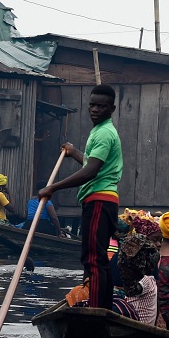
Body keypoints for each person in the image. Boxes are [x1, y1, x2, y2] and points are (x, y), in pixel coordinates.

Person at [39, 84, 123, 310]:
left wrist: (52, 188)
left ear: (111, 109)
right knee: (99, 260)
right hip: (100, 200)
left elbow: (91, 171)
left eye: (101, 106)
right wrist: (73, 151)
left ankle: (95, 311)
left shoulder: (105, 132)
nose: (95, 110)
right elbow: (91, 162)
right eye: (92, 105)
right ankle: (103, 308)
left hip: (99, 199)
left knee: (93, 261)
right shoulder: (99, 130)